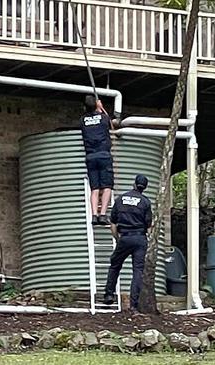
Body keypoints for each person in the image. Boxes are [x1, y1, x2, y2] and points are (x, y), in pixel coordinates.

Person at [103, 174, 153, 311]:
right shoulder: (145, 202)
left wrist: (118, 239)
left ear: (134, 184)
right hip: (140, 238)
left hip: (125, 237)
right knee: (137, 271)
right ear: (145, 187)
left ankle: (108, 294)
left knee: (115, 264)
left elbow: (113, 224)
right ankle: (133, 306)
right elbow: (149, 227)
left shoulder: (120, 199)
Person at [80, 95, 118, 226]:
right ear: (96, 106)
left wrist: (96, 109)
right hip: (104, 155)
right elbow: (112, 126)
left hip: (90, 157)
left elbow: (91, 118)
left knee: (95, 189)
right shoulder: (103, 118)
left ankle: (94, 216)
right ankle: (102, 215)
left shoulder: (83, 120)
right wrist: (101, 109)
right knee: (107, 187)